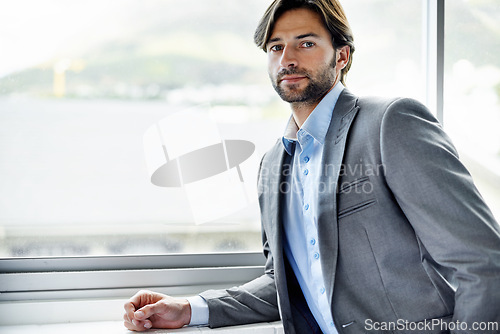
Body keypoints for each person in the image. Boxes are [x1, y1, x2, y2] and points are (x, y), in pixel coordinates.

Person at [124, 0, 500, 333]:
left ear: (341, 56)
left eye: (306, 43)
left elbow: (482, 262)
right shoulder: (272, 167)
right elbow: (285, 284)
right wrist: (190, 309)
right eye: (276, 47)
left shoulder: (391, 123)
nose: (288, 58)